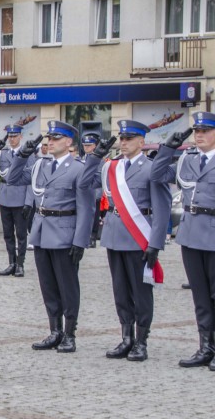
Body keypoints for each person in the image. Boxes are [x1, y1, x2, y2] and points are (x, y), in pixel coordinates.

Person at [82, 121, 171, 362]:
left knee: (140, 292)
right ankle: (126, 337)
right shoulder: (111, 167)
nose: (123, 143)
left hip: (138, 237)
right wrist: (94, 158)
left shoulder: (151, 168)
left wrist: (156, 242)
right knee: (120, 291)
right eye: (121, 138)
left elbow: (162, 209)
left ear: (141, 142)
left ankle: (141, 341)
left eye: (129, 139)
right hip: (114, 235)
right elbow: (84, 184)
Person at [7, 121, 96, 353]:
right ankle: (54, 330)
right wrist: (23, 155)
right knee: (47, 286)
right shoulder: (40, 166)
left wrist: (80, 240)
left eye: (56, 138)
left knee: (68, 286)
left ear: (68, 142)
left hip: (65, 232)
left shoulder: (78, 168)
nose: (51, 142)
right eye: (49, 138)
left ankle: (69, 333)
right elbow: (14, 178)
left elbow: (86, 208)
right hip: (42, 230)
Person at [151, 113, 215, 369]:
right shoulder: (188, 160)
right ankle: (206, 347)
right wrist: (168, 148)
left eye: (205, 131)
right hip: (190, 233)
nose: (199, 135)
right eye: (196, 131)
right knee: (200, 296)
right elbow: (156, 175)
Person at [0, 125, 28, 277]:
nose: (12, 139)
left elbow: (31, 180)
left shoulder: (28, 153)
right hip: (5, 196)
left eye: (15, 136)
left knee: (21, 233)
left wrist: (29, 201)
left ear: (21, 136)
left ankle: (20, 264)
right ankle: (11, 262)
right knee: (8, 233)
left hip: (20, 196)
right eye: (10, 136)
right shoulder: (3, 153)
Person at [81, 132, 105, 248]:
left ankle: (93, 237)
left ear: (95, 146)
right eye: (85, 145)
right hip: (83, 193)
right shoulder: (81, 159)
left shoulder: (100, 160)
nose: (86, 147)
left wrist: (98, 194)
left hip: (95, 191)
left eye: (89, 145)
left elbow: (100, 176)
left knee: (94, 216)